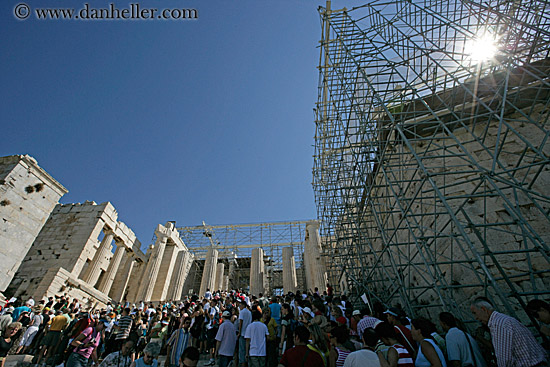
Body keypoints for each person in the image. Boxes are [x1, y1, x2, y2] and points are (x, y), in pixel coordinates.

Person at [470, 298, 547, 367]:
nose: (476, 318)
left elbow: (505, 359)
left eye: (475, 313)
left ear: (484, 309)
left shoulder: (498, 324)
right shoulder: (504, 320)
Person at [237, 299, 252, 367]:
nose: (239, 307)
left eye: (240, 305)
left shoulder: (242, 312)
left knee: (242, 351)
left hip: (243, 333)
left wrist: (239, 332)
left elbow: (241, 322)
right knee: (247, 350)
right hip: (248, 333)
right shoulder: (249, 312)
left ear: (243, 305)